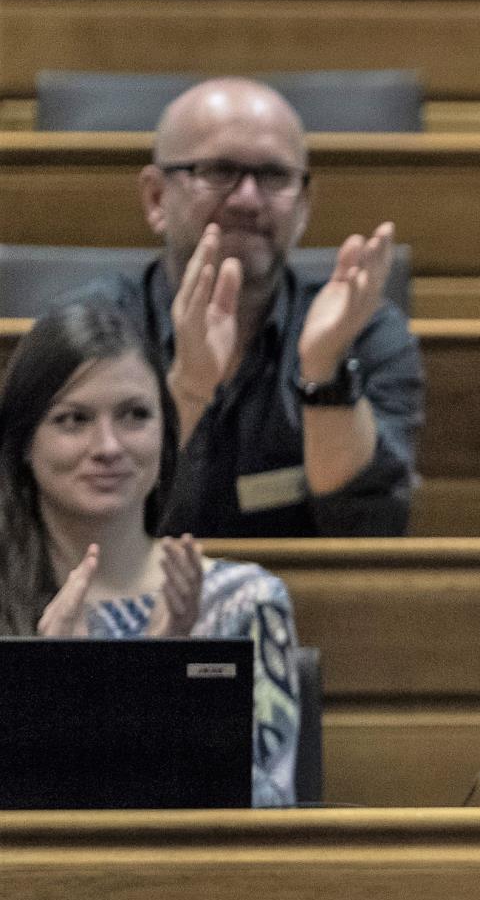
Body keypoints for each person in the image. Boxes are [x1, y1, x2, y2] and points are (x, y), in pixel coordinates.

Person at [81, 77, 423, 538]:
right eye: (219, 172)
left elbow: (366, 530)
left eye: (274, 176)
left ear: (303, 205)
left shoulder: (364, 331)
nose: (247, 199)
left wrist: (323, 370)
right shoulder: (92, 329)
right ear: (156, 197)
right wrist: (189, 385)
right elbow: (80, 521)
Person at [0, 301, 300, 807]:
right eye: (73, 420)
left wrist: (165, 674)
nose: (109, 446)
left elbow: (270, 813)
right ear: (25, 443)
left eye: (134, 415)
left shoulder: (245, 603)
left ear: (165, 433)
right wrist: (53, 684)